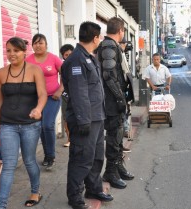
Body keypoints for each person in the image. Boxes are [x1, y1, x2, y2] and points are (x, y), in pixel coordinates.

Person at [62, 21, 113, 209]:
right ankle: (74, 196)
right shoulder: (76, 60)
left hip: (97, 117)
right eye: (99, 36)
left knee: (97, 156)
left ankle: (93, 187)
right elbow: (78, 92)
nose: (100, 40)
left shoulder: (89, 57)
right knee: (82, 158)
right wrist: (83, 120)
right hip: (86, 120)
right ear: (95, 38)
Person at [0, 37, 47, 209]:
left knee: (29, 160)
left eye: (16, 50)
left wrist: (38, 109)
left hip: (30, 124)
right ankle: (2, 205)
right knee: (8, 165)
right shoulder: (1, 72)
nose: (12, 54)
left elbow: (43, 94)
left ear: (24, 52)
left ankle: (35, 191)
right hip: (8, 125)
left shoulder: (35, 70)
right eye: (8, 50)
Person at [96, 17, 134, 190]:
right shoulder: (109, 46)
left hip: (115, 98)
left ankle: (117, 167)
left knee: (118, 134)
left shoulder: (112, 45)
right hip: (111, 100)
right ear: (121, 31)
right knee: (113, 136)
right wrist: (120, 98)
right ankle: (110, 172)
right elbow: (109, 76)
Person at [25, 33, 63, 170]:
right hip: (35, 99)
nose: (38, 45)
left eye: (41, 43)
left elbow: (65, 74)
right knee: (40, 126)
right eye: (35, 43)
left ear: (46, 45)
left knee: (48, 125)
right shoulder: (28, 60)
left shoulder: (54, 58)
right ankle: (47, 155)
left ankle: (50, 155)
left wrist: (60, 91)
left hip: (53, 98)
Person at [119, 38, 135, 150]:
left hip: (124, 89)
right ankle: (124, 133)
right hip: (119, 91)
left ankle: (124, 133)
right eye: (124, 44)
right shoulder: (117, 53)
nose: (125, 46)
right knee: (121, 115)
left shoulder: (122, 54)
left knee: (125, 112)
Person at [59, 44, 75, 147]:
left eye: (71, 54)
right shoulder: (62, 66)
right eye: (66, 55)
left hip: (77, 95)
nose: (69, 56)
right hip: (65, 95)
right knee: (66, 117)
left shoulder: (79, 64)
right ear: (63, 56)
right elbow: (61, 81)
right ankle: (69, 139)